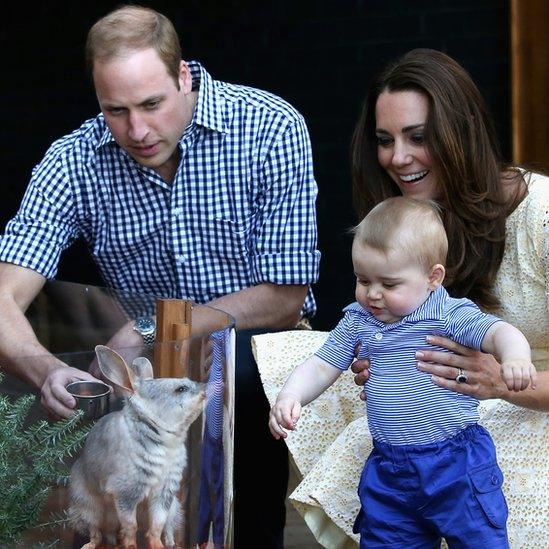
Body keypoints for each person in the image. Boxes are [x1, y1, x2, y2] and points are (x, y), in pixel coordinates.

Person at [0, 6, 320, 548]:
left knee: (232, 383)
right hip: (145, 373)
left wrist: (154, 326)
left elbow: (285, 297)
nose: (138, 130)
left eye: (152, 104)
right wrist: (46, 370)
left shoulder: (270, 126)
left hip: (260, 348)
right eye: (116, 111)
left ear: (184, 76)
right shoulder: (75, 161)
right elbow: (4, 294)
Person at [253, 48, 549, 548]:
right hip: (428, 421)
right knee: (286, 361)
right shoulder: (407, 221)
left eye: (418, 137)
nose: (397, 158)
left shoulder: (540, 215)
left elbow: (495, 344)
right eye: (385, 140)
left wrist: (504, 379)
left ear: (462, 134)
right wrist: (380, 356)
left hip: (529, 404)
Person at [270, 197, 536, 547]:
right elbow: (322, 364)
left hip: (455, 463)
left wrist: (515, 357)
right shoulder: (358, 320)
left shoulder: (448, 315)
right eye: (363, 280)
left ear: (432, 278)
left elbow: (498, 331)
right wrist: (291, 395)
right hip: (390, 468)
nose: (373, 294)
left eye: (389, 284)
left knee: (479, 538)